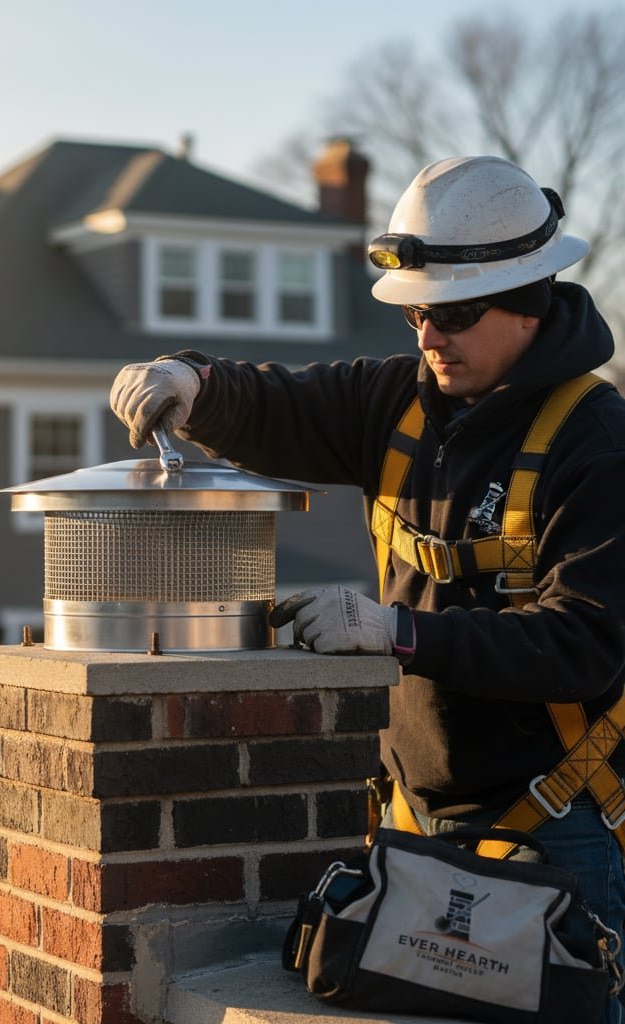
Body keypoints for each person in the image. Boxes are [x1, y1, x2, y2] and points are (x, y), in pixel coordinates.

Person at [110, 155, 625, 1021]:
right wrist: (194, 383)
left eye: (454, 313)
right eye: (419, 312)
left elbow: (585, 644)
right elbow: (284, 406)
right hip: (413, 826)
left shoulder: (596, 441)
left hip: (556, 835)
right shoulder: (402, 403)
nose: (428, 337)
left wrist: (395, 632)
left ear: (530, 301)